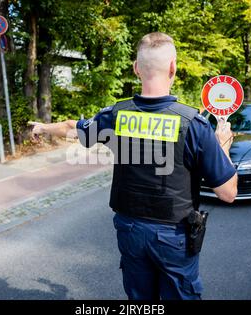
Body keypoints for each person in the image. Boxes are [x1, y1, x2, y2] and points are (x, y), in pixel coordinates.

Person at [29, 32, 237, 300]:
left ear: (136, 68)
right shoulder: (194, 125)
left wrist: (42, 126)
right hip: (173, 235)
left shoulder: (115, 115)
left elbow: (73, 128)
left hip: (130, 232)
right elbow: (228, 192)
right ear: (173, 67)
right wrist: (223, 146)